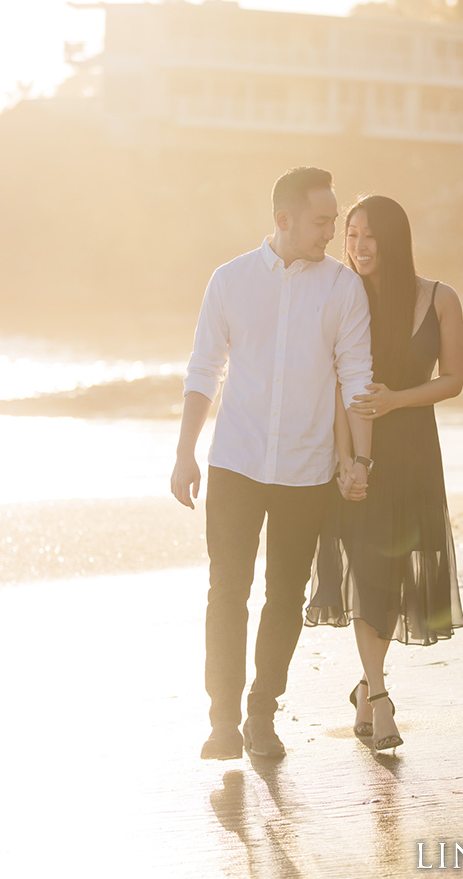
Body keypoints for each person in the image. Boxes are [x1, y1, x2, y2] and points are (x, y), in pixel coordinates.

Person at [173, 166, 376, 761]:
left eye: (334, 221)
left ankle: (263, 714)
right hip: (235, 460)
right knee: (226, 591)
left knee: (286, 595)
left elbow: (356, 377)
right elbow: (203, 369)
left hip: (306, 469)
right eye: (321, 222)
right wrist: (185, 450)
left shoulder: (343, 289)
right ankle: (222, 722)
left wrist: (359, 458)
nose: (330, 232)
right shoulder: (230, 280)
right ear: (283, 219)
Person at [306, 195, 463, 753]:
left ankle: (365, 686)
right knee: (368, 572)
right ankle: (379, 698)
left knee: (395, 578)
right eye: (350, 235)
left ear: (395, 238)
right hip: (357, 448)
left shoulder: (440, 299)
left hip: (415, 450)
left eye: (369, 235)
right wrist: (346, 461)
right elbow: (336, 383)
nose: (357, 246)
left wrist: (398, 400)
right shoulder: (345, 298)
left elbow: (453, 380)